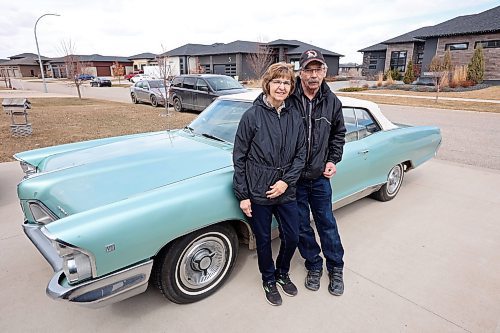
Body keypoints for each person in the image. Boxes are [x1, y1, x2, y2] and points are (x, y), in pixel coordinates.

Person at [233, 62, 306, 306]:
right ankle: (268, 279)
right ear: (268, 84)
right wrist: (243, 194)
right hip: (259, 189)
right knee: (263, 240)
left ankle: (282, 272)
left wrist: (286, 182)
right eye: (277, 81)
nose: (282, 86)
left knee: (293, 236)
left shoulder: (294, 117)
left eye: (286, 83)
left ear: (291, 87)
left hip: (286, 190)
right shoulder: (252, 116)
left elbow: (301, 155)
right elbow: (239, 157)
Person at [288, 49, 347, 296]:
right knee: (301, 226)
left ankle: (336, 267)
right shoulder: (289, 99)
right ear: (300, 73)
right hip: (295, 179)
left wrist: (333, 159)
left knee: (327, 224)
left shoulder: (332, 102)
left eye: (318, 70)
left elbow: (338, 135)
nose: (313, 75)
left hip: (320, 178)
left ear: (325, 72)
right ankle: (314, 264)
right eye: (308, 70)